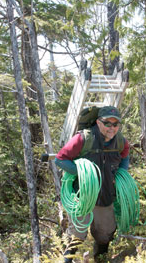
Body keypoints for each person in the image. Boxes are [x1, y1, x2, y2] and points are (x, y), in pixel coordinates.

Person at [55, 106, 130, 262]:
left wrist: (121, 173)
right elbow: (60, 159)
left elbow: (125, 156)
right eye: (107, 123)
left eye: (116, 124)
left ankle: (100, 258)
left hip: (105, 195)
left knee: (106, 233)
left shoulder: (121, 141)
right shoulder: (83, 139)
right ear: (98, 122)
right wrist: (83, 172)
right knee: (77, 234)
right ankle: (68, 259)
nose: (112, 127)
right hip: (82, 196)